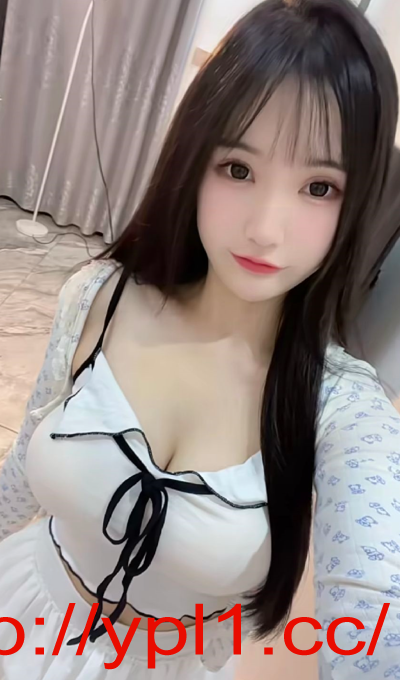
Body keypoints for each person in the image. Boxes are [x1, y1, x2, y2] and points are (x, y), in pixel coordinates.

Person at [1, 0, 400, 677]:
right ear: (195, 159)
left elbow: (375, 607)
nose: (265, 229)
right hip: (24, 608)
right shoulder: (98, 296)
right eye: (238, 169)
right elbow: (22, 465)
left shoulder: (339, 409)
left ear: (356, 201)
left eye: (318, 187)